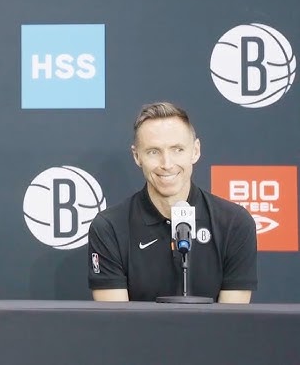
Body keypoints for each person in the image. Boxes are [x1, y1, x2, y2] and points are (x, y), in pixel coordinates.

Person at [87, 102, 257, 303]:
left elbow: (231, 324)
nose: (167, 164)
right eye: (153, 151)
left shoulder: (234, 223)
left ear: (195, 151)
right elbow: (117, 324)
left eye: (177, 149)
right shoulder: (109, 227)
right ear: (137, 156)